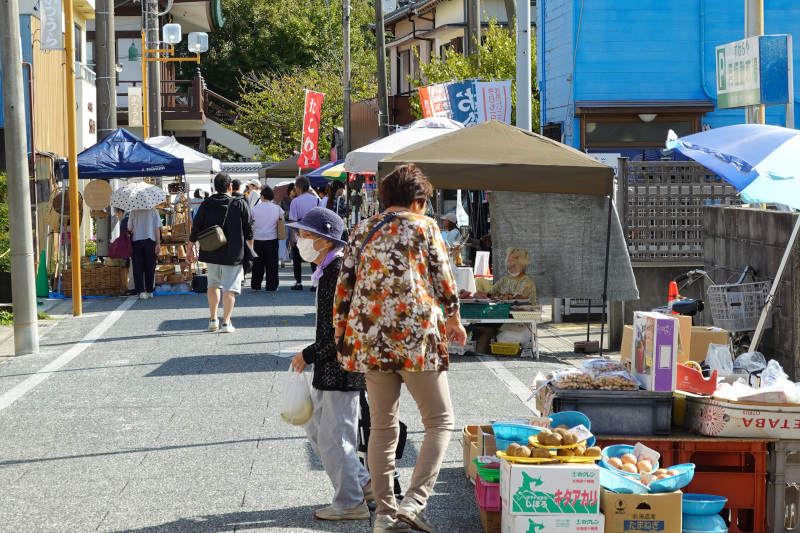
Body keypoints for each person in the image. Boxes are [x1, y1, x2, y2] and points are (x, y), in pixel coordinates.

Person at [334, 163, 466, 533]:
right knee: (440, 421)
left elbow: (342, 288)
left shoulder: (361, 229)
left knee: (382, 427)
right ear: (418, 201)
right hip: (415, 339)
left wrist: (342, 338)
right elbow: (444, 279)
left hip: (370, 339)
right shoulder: (424, 226)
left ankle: (385, 516)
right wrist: (454, 320)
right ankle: (415, 501)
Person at [288, 207, 372, 521]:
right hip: (333, 365)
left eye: (306, 234)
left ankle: (351, 503)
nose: (299, 240)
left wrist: (306, 355)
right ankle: (363, 484)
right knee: (317, 427)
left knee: (336, 436)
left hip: (341, 366)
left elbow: (334, 330)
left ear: (324, 240)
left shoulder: (335, 270)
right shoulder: (328, 268)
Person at [187, 172, 254, 333]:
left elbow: (196, 226)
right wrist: (250, 249)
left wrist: (189, 248)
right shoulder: (240, 203)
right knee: (230, 287)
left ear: (215, 187)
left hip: (211, 250)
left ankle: (213, 319)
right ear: (230, 187)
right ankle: (226, 322)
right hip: (234, 252)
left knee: (213, 284)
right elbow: (249, 229)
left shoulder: (206, 203)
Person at [289, 175, 324, 291]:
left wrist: (292, 237)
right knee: (315, 257)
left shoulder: (295, 201)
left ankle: (298, 282)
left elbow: (293, 220)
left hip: (300, 231)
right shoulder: (317, 199)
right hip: (314, 231)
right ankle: (316, 282)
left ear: (298, 188)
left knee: (297, 259)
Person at [250, 186, 283, 292]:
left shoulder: (255, 208)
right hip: (272, 238)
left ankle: (256, 285)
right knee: (272, 264)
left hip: (258, 238)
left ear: (262, 196)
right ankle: (272, 286)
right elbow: (281, 218)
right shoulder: (277, 208)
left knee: (257, 264)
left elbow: (251, 222)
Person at [128, 206, 162, 299]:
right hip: (150, 240)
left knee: (137, 266)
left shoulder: (133, 210)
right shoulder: (153, 210)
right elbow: (157, 228)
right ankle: (150, 290)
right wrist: (158, 244)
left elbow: (129, 228)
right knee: (150, 265)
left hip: (136, 241)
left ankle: (141, 291)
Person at [278, 183, 296, 267]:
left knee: (294, 241)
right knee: (285, 240)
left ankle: (292, 258)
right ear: (289, 191)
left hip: (295, 222)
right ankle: (283, 258)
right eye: (293, 190)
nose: (295, 192)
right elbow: (280, 210)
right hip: (286, 221)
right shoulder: (284, 200)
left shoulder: (297, 200)